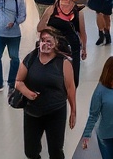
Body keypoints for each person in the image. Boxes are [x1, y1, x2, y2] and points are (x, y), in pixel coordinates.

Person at [14, 28, 77, 159]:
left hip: (56, 111)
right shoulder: (31, 58)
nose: (45, 44)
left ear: (56, 43)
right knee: (30, 151)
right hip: (32, 111)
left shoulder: (63, 62)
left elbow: (70, 88)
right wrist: (28, 93)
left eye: (49, 41)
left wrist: (73, 111)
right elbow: (18, 81)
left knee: (55, 150)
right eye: (42, 40)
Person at [40, 0, 87, 86]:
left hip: (72, 48)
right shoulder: (51, 10)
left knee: (73, 79)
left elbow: (82, 32)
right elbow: (40, 27)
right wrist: (50, 29)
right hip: (55, 48)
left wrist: (84, 48)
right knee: (56, 78)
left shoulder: (78, 11)